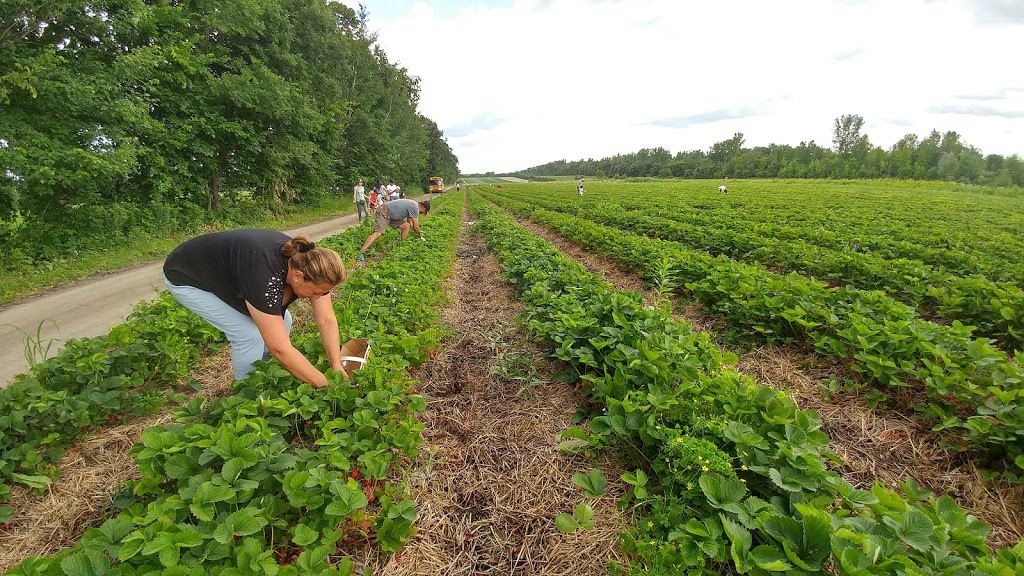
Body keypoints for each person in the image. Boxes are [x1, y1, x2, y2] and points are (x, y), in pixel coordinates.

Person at [163, 230, 348, 387]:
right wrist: (326, 386)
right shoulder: (265, 276)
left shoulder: (307, 263)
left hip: (233, 270)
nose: (318, 297)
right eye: (316, 292)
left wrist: (336, 364)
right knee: (248, 334)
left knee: (285, 322)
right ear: (298, 276)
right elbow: (280, 348)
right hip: (187, 275)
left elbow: (326, 319)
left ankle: (265, 372)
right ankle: (247, 391)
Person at [357, 199, 430, 261]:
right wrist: (421, 236)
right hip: (384, 212)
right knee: (378, 233)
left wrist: (417, 233)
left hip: (391, 216)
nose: (422, 213)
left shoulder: (413, 205)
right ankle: (361, 252)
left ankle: (401, 246)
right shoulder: (415, 208)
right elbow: (416, 227)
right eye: (424, 212)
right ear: (423, 208)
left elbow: (410, 224)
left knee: (406, 226)